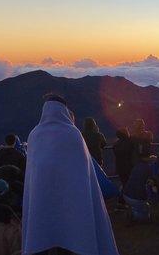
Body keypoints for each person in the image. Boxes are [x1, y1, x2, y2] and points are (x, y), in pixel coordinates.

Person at [22, 94, 118, 255]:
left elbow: (33, 174)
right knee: (74, 239)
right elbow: (85, 174)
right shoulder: (73, 134)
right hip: (74, 203)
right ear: (65, 110)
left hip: (41, 202)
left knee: (45, 241)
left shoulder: (34, 135)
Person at [122, 147, 156, 222]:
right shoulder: (148, 168)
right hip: (137, 197)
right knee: (145, 215)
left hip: (126, 194)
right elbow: (152, 184)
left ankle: (133, 209)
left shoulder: (137, 165)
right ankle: (134, 215)